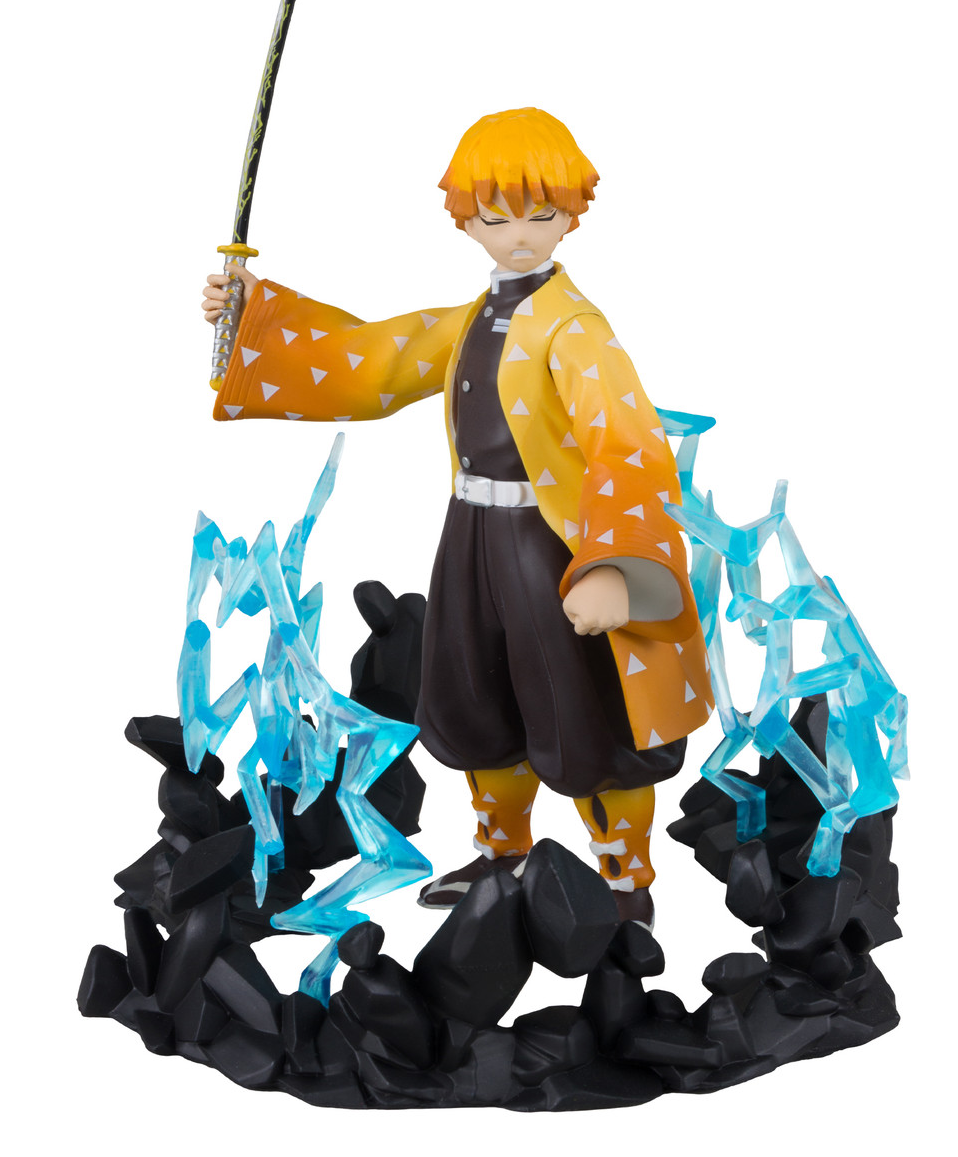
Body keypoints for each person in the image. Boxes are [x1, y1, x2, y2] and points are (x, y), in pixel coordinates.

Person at [200, 107, 711, 926]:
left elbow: (625, 441)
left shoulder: (577, 330)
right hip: (470, 536)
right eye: (496, 218)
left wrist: (616, 567)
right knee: (478, 699)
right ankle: (501, 859)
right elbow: (375, 360)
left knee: (586, 715)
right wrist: (250, 314)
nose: (519, 237)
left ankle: (624, 880)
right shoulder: (473, 319)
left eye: (539, 215)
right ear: (466, 220)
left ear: (571, 214)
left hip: (552, 545)